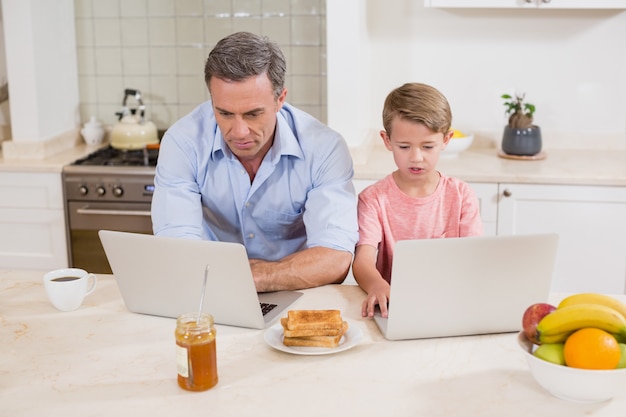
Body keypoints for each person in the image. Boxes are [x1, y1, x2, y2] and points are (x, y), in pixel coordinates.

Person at [151, 32, 358, 292]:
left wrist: (261, 277)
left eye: (253, 114)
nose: (238, 132)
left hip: (297, 292)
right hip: (209, 289)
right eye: (224, 113)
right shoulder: (183, 142)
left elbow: (335, 257)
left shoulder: (324, 148)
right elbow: (176, 246)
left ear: (280, 99)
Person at [352, 82, 483, 318]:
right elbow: (362, 261)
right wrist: (376, 285)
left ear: (446, 140)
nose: (416, 157)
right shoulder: (373, 199)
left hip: (451, 305)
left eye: (428, 146)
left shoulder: (462, 196)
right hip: (393, 310)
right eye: (404, 146)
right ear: (387, 140)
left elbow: (475, 258)